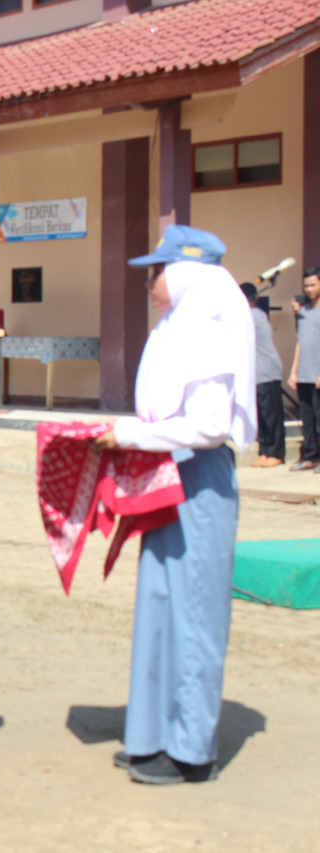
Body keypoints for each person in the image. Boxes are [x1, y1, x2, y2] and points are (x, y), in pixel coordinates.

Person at [92, 225, 255, 785]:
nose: (150, 283)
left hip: (198, 480)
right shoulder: (177, 328)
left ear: (187, 272)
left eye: (158, 272)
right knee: (160, 605)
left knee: (195, 613)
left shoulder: (208, 329)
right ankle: (151, 735)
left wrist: (127, 435)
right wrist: (132, 436)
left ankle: (190, 752)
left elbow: (207, 426)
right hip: (166, 474)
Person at [241, 283, 285, 467]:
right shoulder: (246, 315)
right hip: (256, 373)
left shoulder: (255, 315)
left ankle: (276, 453)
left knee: (271, 415)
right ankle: (265, 451)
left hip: (267, 370)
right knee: (260, 415)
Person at [288, 268, 320, 471]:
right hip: (304, 374)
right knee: (306, 418)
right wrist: (294, 371)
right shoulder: (303, 311)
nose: (309, 289)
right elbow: (301, 341)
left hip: (317, 374)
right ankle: (310, 456)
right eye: (306, 286)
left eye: (313, 285)